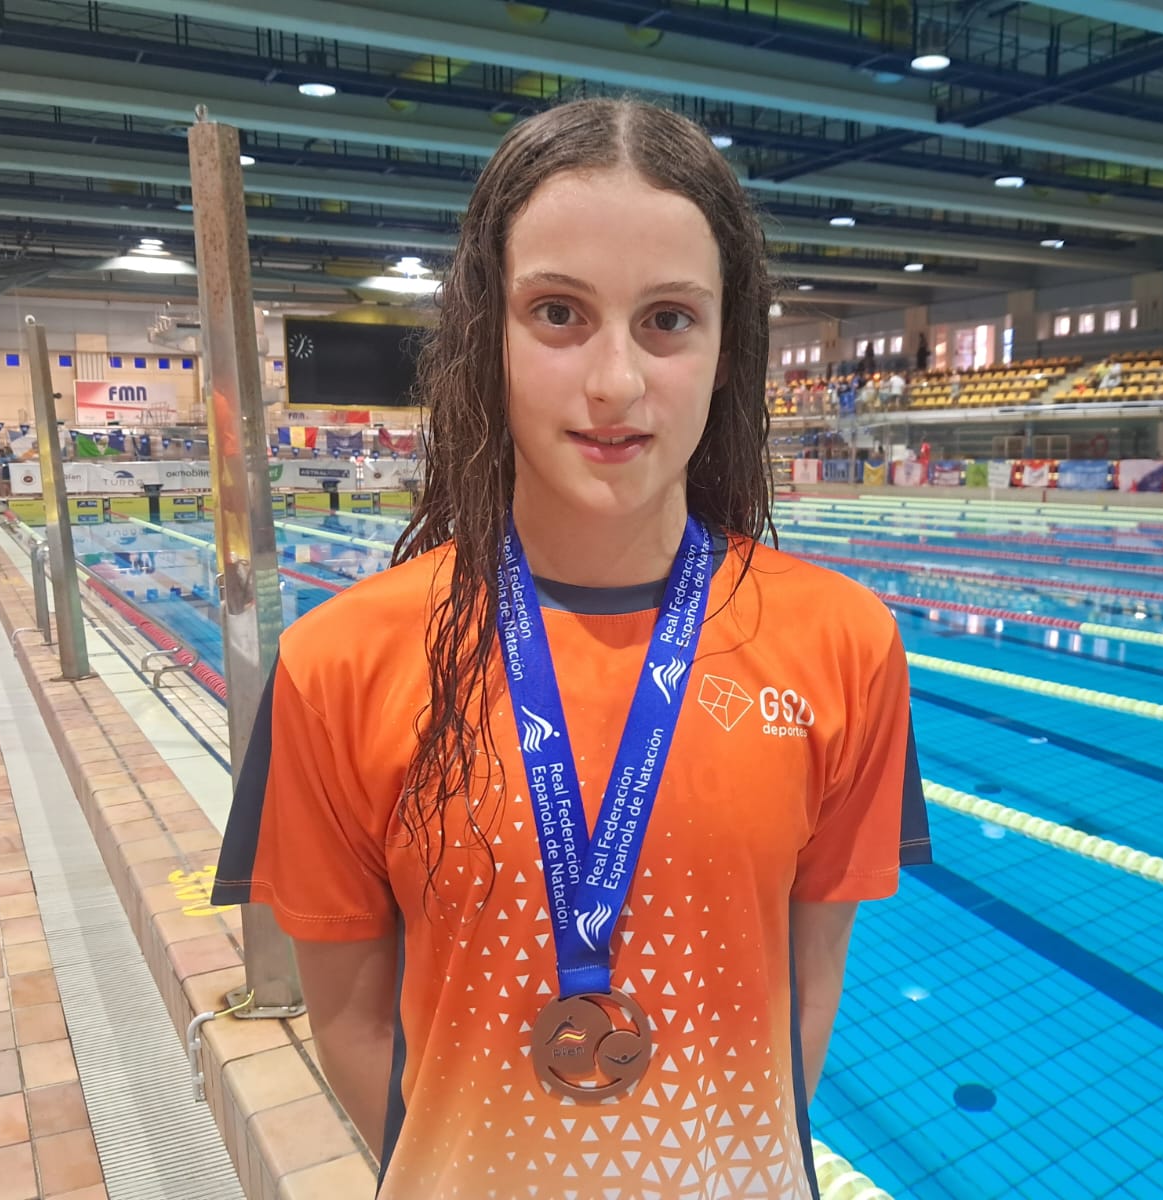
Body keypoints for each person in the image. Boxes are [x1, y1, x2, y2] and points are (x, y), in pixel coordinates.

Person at [212, 97, 929, 1200]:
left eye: (668, 319)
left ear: (725, 351)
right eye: (558, 313)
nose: (615, 383)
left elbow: (807, 984)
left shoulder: (844, 643)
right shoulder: (339, 662)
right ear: (485, 335)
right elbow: (349, 1020)